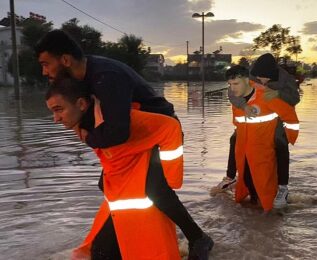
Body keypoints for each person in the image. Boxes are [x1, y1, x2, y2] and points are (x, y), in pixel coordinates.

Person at [36, 29, 212, 259]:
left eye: (46, 64)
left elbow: (118, 131)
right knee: (106, 184)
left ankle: (198, 238)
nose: (44, 71)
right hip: (134, 137)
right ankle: (120, 239)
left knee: (154, 188)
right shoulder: (82, 77)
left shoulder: (106, 77)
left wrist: (88, 136)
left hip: (157, 133)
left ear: (65, 60)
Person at [212, 54, 300, 209]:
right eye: (260, 78)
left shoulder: (286, 78)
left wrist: (278, 93)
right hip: (253, 116)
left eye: (267, 79)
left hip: (277, 115)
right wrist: (243, 106)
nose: (263, 82)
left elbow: (295, 98)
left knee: (280, 144)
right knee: (235, 140)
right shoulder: (248, 75)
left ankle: (282, 187)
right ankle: (231, 177)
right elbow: (233, 91)